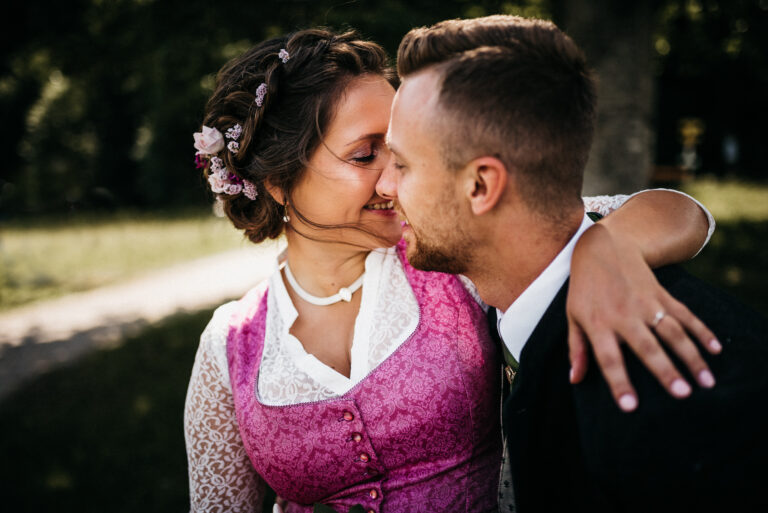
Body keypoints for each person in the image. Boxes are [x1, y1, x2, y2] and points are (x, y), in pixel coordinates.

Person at [184, 29, 716, 513]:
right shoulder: (229, 346)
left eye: (398, 151)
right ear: (278, 183)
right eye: (365, 155)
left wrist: (602, 247)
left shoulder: (448, 249)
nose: (393, 179)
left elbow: (682, 213)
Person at [378, 15, 768, 512]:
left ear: (481, 186)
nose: (385, 186)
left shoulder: (659, 405)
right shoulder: (517, 301)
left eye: (402, 164)